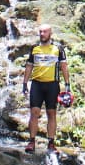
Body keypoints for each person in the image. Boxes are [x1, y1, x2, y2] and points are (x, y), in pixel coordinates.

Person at [21, 23, 71, 153]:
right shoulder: (34, 48)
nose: (42, 34)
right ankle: (31, 141)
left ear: (50, 33)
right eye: (40, 32)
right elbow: (29, 66)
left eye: (45, 32)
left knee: (51, 113)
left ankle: (51, 142)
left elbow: (64, 66)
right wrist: (24, 83)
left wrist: (67, 85)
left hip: (52, 85)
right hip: (37, 84)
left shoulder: (58, 48)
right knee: (34, 113)